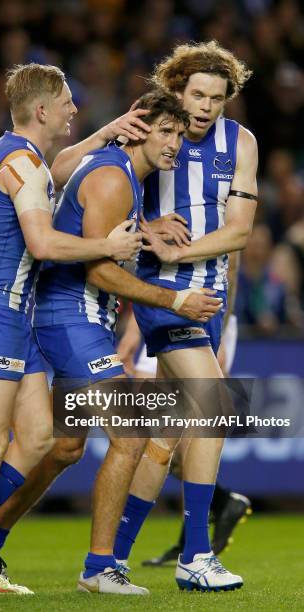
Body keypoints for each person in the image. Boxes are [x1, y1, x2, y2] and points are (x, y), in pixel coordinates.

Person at [0, 62, 145, 595]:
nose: (74, 110)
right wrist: (109, 246)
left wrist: (106, 132)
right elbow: (43, 245)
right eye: (67, 103)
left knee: (37, 438)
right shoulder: (20, 162)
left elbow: (54, 171)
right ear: (41, 110)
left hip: (11, 316)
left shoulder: (22, 155)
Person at [32, 89, 222, 595]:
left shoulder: (124, 178)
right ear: (138, 129)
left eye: (181, 135)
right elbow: (99, 269)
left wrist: (145, 229)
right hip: (71, 315)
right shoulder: (115, 174)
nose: (176, 143)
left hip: (77, 318)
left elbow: (82, 203)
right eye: (166, 130)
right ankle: (101, 567)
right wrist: (173, 300)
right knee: (136, 434)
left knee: (64, 448)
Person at [111, 40, 258, 592]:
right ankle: (196, 555)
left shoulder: (242, 142)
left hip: (210, 299)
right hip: (162, 297)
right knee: (215, 406)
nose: (204, 107)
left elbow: (239, 230)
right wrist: (151, 240)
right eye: (197, 94)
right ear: (176, 90)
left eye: (216, 98)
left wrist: (183, 252)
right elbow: (95, 186)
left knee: (167, 435)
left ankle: (109, 561)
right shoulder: (148, 125)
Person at [117, 252, 252, 567]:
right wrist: (135, 333)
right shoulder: (166, 210)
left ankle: (189, 547)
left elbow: (230, 262)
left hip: (202, 312)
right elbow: (150, 261)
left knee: (173, 433)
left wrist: (218, 339)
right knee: (163, 436)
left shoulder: (217, 216)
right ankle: (201, 533)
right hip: (165, 308)